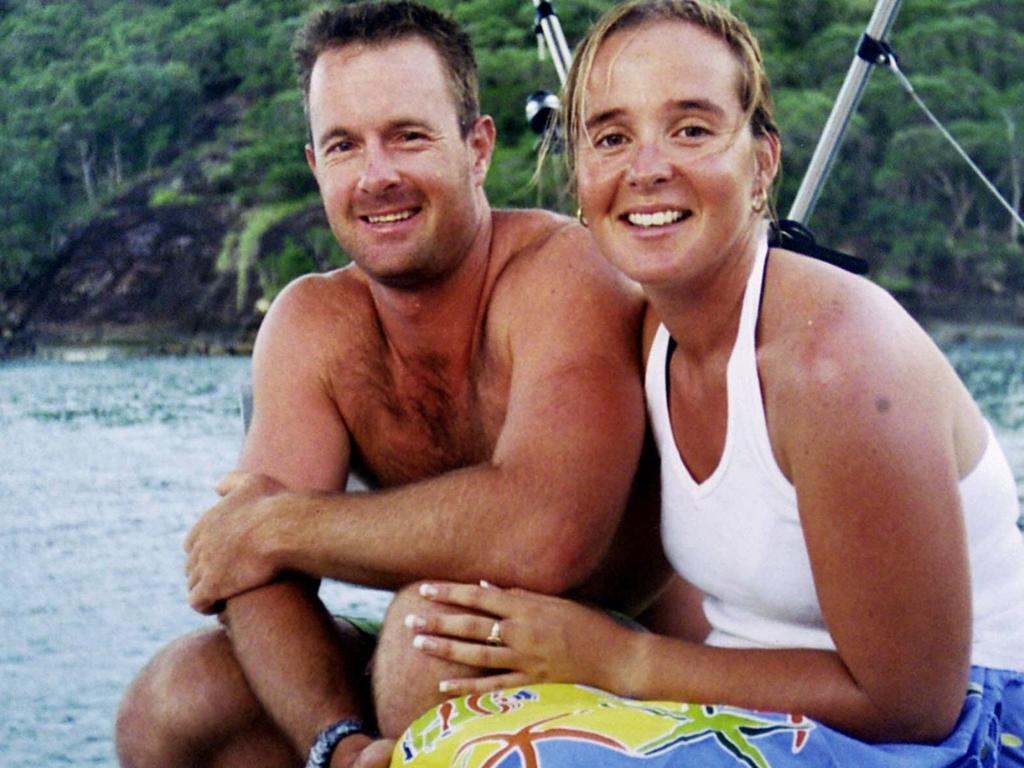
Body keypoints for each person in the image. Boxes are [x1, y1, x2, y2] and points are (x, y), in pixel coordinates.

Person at [407, 0, 1024, 764]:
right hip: (759, 703)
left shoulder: (834, 362)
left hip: (973, 724)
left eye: (692, 128)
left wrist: (618, 663)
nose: (647, 167)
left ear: (762, 160)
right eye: (611, 136)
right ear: (580, 174)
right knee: (443, 692)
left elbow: (913, 703)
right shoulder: (647, 332)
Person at [113, 3, 670, 767]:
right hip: (431, 652)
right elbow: (250, 578)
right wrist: (336, 742)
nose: (376, 177)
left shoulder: (564, 272)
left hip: (628, 651)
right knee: (174, 699)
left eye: (407, 136)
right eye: (345, 145)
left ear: (477, 148)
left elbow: (546, 534)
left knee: (424, 641)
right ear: (317, 167)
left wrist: (274, 525)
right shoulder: (313, 324)